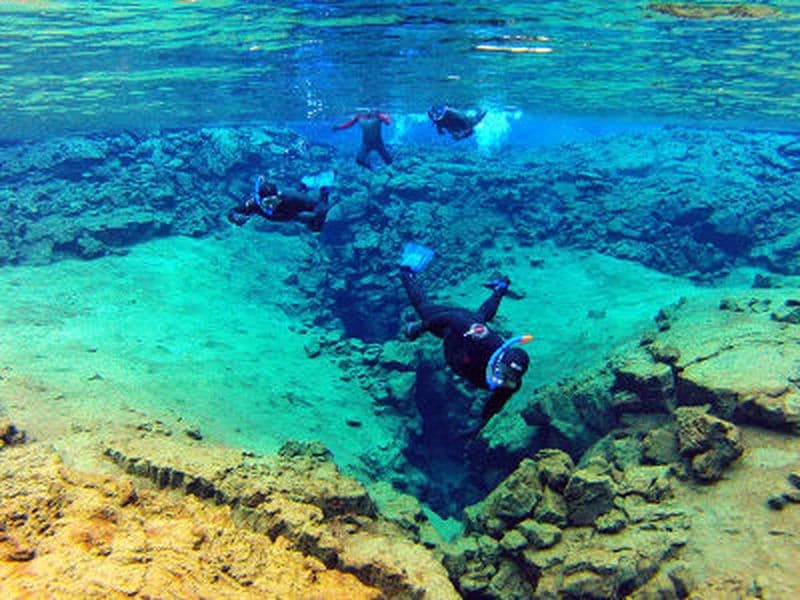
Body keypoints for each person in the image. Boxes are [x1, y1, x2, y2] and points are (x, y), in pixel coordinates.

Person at [398, 242, 532, 425]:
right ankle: (406, 272)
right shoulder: (485, 340)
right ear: (499, 362)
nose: (502, 380)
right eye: (504, 373)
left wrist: (480, 424)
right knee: (425, 309)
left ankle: (500, 289)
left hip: (459, 346)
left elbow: (496, 402)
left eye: (509, 377)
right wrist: (420, 328)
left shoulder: (510, 384)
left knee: (479, 317)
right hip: (454, 330)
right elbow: (452, 317)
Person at [227, 174, 330, 232]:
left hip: (298, 209)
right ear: (260, 200)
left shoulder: (290, 197)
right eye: (267, 202)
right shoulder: (254, 204)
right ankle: (303, 186)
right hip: (293, 215)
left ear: (278, 197)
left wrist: (315, 215)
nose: (271, 206)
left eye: (274, 201)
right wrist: (236, 217)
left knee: (316, 227)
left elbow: (321, 207)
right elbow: (231, 212)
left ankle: (323, 189)